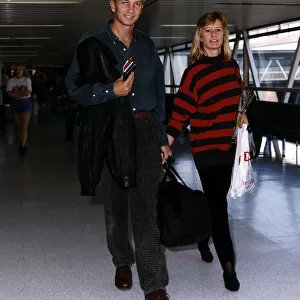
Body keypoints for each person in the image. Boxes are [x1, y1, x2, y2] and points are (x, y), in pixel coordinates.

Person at [66, 1, 171, 299]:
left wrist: (162, 137)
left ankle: (153, 282)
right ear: (112, 4)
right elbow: (74, 88)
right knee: (115, 202)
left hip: (147, 127)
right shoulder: (92, 41)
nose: (131, 8)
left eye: (137, 3)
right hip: (112, 131)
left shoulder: (148, 45)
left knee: (146, 205)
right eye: (124, 1)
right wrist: (110, 91)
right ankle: (122, 260)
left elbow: (159, 92)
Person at [167, 11, 248, 292]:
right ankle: (228, 267)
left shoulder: (232, 67)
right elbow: (180, 112)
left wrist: (243, 117)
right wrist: (167, 140)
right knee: (220, 205)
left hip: (229, 148)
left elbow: (237, 102)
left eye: (218, 30)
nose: (213, 35)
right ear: (200, 36)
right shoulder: (194, 72)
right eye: (208, 30)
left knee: (216, 200)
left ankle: (203, 237)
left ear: (223, 35)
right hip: (205, 147)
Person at [6, 64, 32, 154]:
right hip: (15, 104)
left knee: (24, 126)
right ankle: (23, 141)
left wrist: (16, 94)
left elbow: (27, 92)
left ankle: (22, 146)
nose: (18, 71)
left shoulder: (27, 80)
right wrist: (20, 93)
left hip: (25, 103)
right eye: (16, 69)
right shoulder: (11, 80)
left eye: (20, 69)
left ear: (23, 70)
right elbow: (9, 92)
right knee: (19, 126)